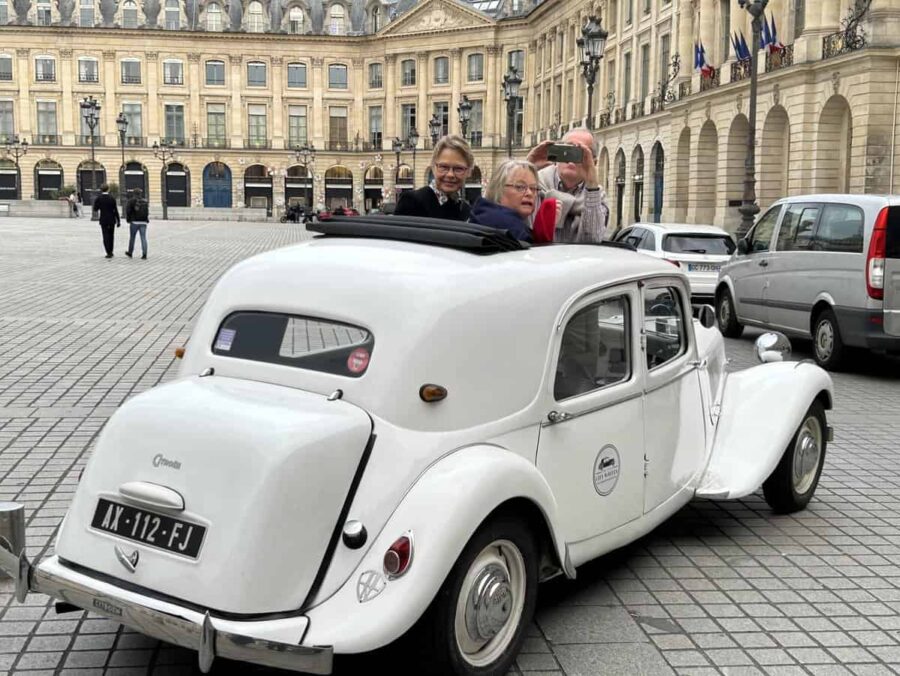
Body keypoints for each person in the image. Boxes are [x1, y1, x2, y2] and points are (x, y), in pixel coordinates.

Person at [527, 127, 609, 243]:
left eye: (580, 153)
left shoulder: (597, 196)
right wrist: (527, 166)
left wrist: (592, 184)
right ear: (558, 152)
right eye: (567, 150)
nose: (571, 159)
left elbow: (592, 240)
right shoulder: (536, 184)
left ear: (593, 162)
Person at [468, 159, 557, 243]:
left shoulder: (484, 214)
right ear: (498, 189)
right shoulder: (511, 228)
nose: (529, 193)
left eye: (533, 188)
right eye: (520, 187)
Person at [394, 134, 473, 221]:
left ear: (468, 172)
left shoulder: (465, 210)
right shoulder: (411, 202)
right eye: (444, 167)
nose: (450, 174)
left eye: (458, 169)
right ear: (433, 167)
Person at [92, 183, 120, 258]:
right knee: (111, 235)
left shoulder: (99, 198)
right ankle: (111, 250)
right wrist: (118, 220)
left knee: (105, 235)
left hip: (103, 219)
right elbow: (115, 210)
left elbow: (95, 209)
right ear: (108, 189)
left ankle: (108, 251)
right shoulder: (112, 198)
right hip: (112, 219)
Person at [124, 188, 150, 260]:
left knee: (132, 237)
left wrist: (128, 219)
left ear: (134, 194)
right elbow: (147, 212)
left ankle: (130, 252)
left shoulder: (131, 201)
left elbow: (128, 211)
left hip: (134, 222)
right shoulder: (145, 201)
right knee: (143, 238)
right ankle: (144, 254)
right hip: (143, 222)